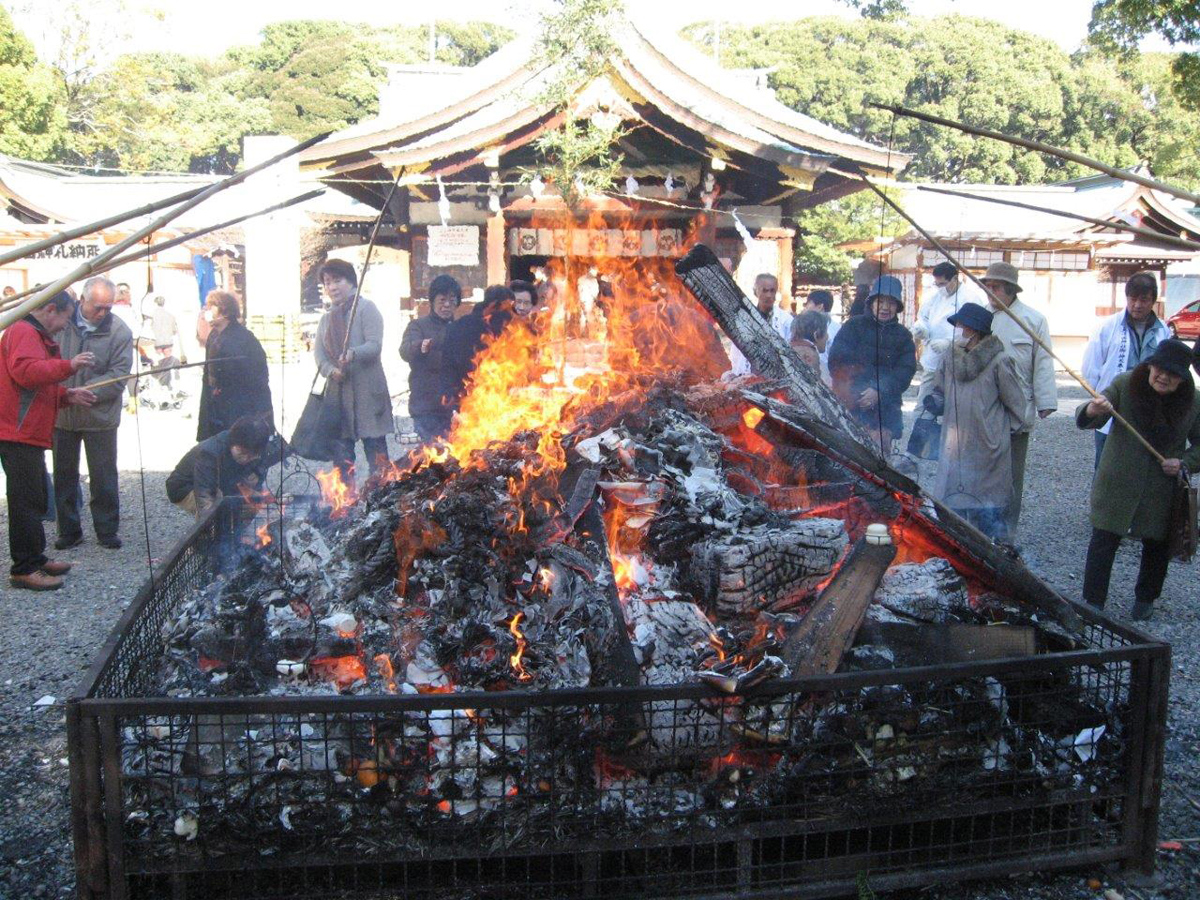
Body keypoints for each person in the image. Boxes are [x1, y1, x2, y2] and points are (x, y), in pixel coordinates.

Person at [1076, 339, 1200, 620]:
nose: (1164, 376)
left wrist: (1184, 463)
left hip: (1161, 487)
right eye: (1159, 368)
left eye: (1173, 374)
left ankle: (1146, 599)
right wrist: (1094, 410)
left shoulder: (1193, 401)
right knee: (1104, 539)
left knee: (1157, 545)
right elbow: (1086, 417)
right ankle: (1092, 602)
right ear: (1150, 365)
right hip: (1117, 480)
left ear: (1183, 378)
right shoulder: (1125, 384)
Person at [0, 291, 96, 590]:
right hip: (16, 431)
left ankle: (36, 559)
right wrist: (69, 366)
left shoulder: (30, 332)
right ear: (51, 310)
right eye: (65, 319)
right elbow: (26, 373)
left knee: (36, 496)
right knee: (25, 501)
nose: (63, 327)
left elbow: (34, 387)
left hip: (25, 431)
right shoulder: (24, 331)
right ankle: (24, 568)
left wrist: (66, 395)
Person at [926, 302, 1025, 541]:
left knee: (987, 511)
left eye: (961, 325)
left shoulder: (999, 360)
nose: (957, 329)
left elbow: (1016, 405)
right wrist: (935, 400)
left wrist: (999, 433)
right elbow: (938, 388)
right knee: (954, 511)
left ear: (974, 330)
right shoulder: (948, 357)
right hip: (955, 442)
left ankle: (991, 563)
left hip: (987, 445)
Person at [52, 276, 134, 551]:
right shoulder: (61, 323)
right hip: (63, 413)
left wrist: (88, 392)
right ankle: (69, 530)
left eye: (108, 308)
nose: (103, 313)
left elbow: (119, 373)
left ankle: (107, 529)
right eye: (98, 307)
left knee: (103, 475)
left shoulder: (120, 331)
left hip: (100, 416)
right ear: (82, 301)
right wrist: (65, 393)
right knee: (64, 474)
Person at [980, 261, 1057, 538]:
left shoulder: (1033, 320)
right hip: (983, 410)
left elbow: (1043, 362)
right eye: (987, 286)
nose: (990, 291)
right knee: (983, 473)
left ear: (1011, 290)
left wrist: (1046, 400)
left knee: (1012, 477)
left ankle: (1006, 532)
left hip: (1017, 409)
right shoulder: (979, 317)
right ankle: (980, 528)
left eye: (996, 287)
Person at [313, 259, 393, 482]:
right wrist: (330, 370)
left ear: (351, 282)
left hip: (368, 393)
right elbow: (319, 355)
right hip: (340, 396)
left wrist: (352, 353)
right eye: (327, 283)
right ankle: (346, 507)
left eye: (337, 280)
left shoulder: (366, 309)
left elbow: (375, 345)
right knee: (342, 460)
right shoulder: (327, 318)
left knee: (377, 456)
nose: (332, 287)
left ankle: (381, 497)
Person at [1081, 272, 1170, 468]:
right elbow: (1090, 368)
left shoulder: (1164, 331)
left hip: (1148, 407)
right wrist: (1100, 397)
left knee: (1141, 466)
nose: (1137, 304)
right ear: (1127, 298)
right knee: (1106, 465)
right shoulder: (1107, 327)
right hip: (1112, 405)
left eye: (1144, 300)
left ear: (1153, 301)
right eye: (1133, 298)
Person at [827, 274, 917, 450]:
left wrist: (879, 389)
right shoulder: (853, 326)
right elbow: (837, 361)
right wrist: (859, 391)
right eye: (880, 302)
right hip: (851, 405)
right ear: (871, 303)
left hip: (885, 410)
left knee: (879, 462)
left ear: (897, 307)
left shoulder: (903, 336)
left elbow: (905, 371)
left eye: (891, 303)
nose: (885, 307)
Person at [196, 290, 272, 441]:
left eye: (212, 306)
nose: (208, 311)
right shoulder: (213, 336)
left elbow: (258, 374)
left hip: (239, 403)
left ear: (225, 311)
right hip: (215, 402)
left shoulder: (245, 338)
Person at [166, 416, 275, 517]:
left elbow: (258, 478)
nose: (246, 459)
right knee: (219, 506)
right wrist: (212, 520)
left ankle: (238, 533)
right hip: (186, 486)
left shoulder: (258, 448)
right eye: (241, 453)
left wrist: (255, 498)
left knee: (252, 502)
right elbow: (205, 497)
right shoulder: (210, 453)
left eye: (251, 456)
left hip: (221, 481)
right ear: (233, 442)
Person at [400, 274, 462, 445]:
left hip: (455, 408)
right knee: (434, 454)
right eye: (442, 300)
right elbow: (405, 350)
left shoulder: (461, 328)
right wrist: (421, 346)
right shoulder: (418, 326)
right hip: (427, 407)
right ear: (432, 301)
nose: (447, 305)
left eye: (452, 300)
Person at [914, 261, 985, 408]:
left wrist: (949, 342)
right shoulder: (935, 296)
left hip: (958, 359)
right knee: (924, 401)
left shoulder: (970, 298)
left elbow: (974, 330)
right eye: (937, 284)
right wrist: (921, 328)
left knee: (953, 404)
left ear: (954, 278)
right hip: (933, 358)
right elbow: (923, 316)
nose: (941, 288)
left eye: (943, 284)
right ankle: (920, 426)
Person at [445, 284, 516, 402]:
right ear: (493, 305)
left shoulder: (509, 330)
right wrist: (451, 393)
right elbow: (448, 365)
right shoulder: (461, 328)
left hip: (499, 400)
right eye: (507, 308)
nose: (510, 313)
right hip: (467, 400)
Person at [728, 273, 792, 377]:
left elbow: (791, 351)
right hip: (746, 376)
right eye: (764, 290)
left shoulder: (785, 320)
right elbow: (735, 352)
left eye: (772, 291)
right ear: (755, 292)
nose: (769, 295)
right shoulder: (743, 318)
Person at [803, 289, 840, 375]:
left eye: (808, 303)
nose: (805, 307)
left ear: (820, 307)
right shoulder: (838, 327)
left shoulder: (824, 328)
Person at [789, 309, 830, 384]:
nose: (827, 337)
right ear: (816, 334)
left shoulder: (786, 349)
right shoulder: (811, 356)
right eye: (826, 332)